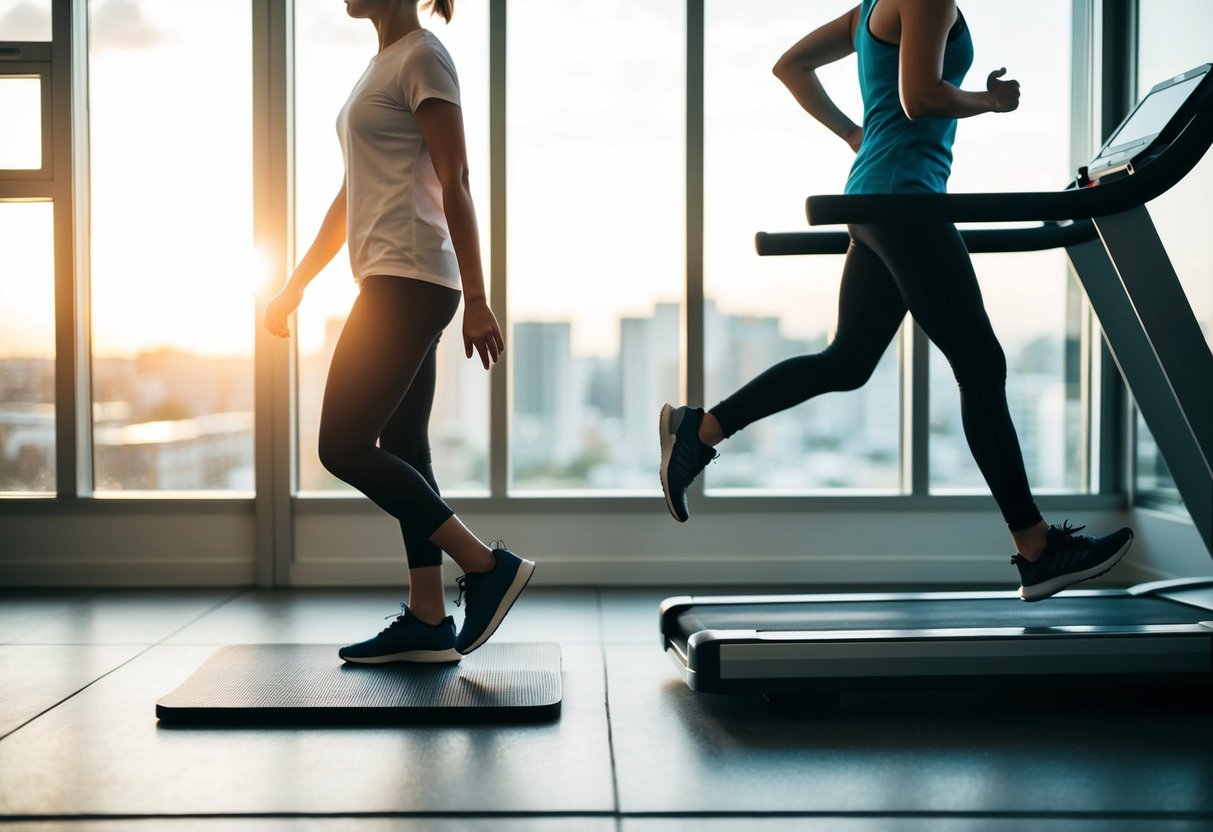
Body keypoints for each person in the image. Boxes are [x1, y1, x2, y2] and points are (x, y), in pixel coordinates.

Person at [659, 0, 1132, 602]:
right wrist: (985, 102)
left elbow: (791, 66)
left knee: (847, 363)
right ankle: (1037, 547)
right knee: (981, 367)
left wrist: (860, 136)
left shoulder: (872, 7)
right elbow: (921, 97)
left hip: (876, 198)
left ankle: (701, 429)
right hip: (905, 200)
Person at [265, 0, 532, 662]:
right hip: (393, 276)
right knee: (404, 443)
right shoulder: (382, 64)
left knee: (341, 444)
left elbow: (457, 178)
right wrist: (298, 281)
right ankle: (427, 616)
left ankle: (484, 566)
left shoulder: (421, 55)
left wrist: (479, 296)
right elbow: (352, 192)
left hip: (407, 277)